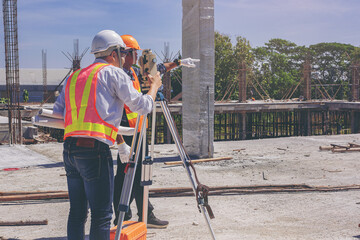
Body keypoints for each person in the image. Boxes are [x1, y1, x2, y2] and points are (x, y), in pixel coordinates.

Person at [53, 30, 162, 240]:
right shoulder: (113, 73)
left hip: (69, 149)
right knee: (102, 215)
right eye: (122, 53)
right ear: (113, 53)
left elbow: (59, 112)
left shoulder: (75, 77)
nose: (124, 58)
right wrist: (154, 87)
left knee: (77, 213)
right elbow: (142, 106)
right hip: (94, 151)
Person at [113, 34, 199, 229]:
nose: (137, 56)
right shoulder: (117, 76)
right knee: (124, 175)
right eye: (134, 53)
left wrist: (178, 62)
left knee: (138, 172)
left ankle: (144, 214)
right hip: (126, 136)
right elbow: (113, 115)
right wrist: (120, 144)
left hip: (138, 130)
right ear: (124, 53)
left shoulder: (133, 72)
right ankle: (123, 217)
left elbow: (159, 68)